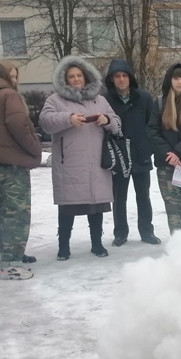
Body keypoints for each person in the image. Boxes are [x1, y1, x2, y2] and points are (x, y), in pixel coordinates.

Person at [39, 55, 121, 260]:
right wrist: (68, 118)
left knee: (96, 207)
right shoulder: (55, 100)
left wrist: (107, 119)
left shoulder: (100, 100)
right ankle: (63, 247)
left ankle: (97, 244)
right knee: (68, 208)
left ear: (86, 77)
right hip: (70, 164)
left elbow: (118, 125)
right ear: (64, 80)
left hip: (96, 162)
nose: (76, 79)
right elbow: (45, 122)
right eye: (71, 76)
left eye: (79, 75)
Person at [0, 61, 41, 279]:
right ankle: (13, 263)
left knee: (3, 212)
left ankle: (6, 257)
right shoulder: (8, 95)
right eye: (10, 76)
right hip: (14, 165)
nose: (14, 81)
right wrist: (35, 148)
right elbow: (19, 125)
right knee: (17, 214)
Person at [103, 58, 160, 247]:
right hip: (119, 156)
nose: (121, 79)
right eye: (117, 76)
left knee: (143, 196)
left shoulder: (143, 98)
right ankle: (120, 233)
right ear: (112, 79)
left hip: (140, 153)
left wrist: (148, 148)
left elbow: (152, 125)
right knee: (119, 197)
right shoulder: (106, 100)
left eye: (124, 75)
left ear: (130, 78)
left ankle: (147, 231)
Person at [147, 62, 181, 235]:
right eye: (176, 78)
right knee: (173, 208)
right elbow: (152, 131)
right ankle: (179, 247)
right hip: (167, 166)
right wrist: (169, 154)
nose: (179, 82)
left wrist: (178, 152)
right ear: (170, 80)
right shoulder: (159, 104)